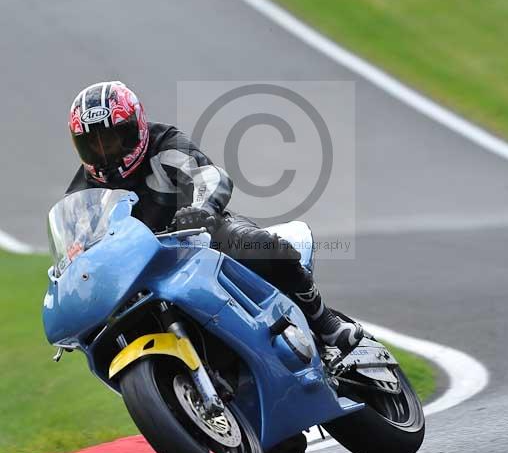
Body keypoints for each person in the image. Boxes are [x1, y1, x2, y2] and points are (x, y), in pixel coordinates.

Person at [66, 81, 363, 355]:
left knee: (261, 246)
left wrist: (202, 209)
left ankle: (326, 323)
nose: (105, 153)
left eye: (113, 140)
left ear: (136, 127)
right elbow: (73, 245)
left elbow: (208, 176)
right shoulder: (81, 192)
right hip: (141, 272)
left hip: (199, 238)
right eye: (93, 144)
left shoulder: (163, 144)